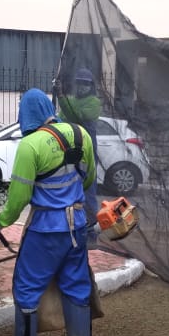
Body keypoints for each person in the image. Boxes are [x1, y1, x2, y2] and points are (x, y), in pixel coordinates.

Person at [0, 88, 96, 336]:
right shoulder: (81, 134)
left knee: (27, 286)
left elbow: (19, 197)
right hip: (78, 226)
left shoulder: (30, 145)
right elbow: (88, 179)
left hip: (45, 230)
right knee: (76, 283)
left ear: (25, 114)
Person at [57, 68, 102, 243]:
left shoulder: (94, 102)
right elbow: (61, 119)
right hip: (70, 151)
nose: (82, 86)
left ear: (91, 86)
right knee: (69, 191)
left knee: (88, 193)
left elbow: (76, 116)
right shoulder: (72, 100)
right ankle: (72, 229)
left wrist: (61, 97)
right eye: (80, 83)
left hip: (87, 152)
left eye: (86, 83)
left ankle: (91, 234)